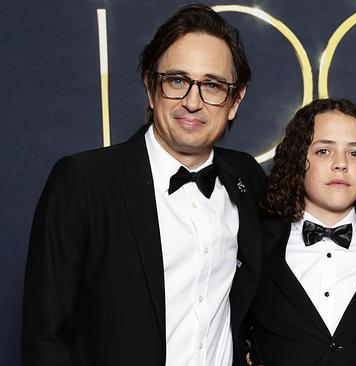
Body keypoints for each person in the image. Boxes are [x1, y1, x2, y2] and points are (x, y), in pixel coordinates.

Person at [22, 5, 265, 366]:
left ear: (235, 100)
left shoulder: (246, 178)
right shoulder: (83, 181)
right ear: (151, 87)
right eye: (177, 81)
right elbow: (46, 339)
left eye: (212, 85)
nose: (193, 102)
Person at [247, 98, 356, 366]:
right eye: (324, 151)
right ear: (298, 159)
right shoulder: (258, 241)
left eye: (355, 153)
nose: (341, 164)